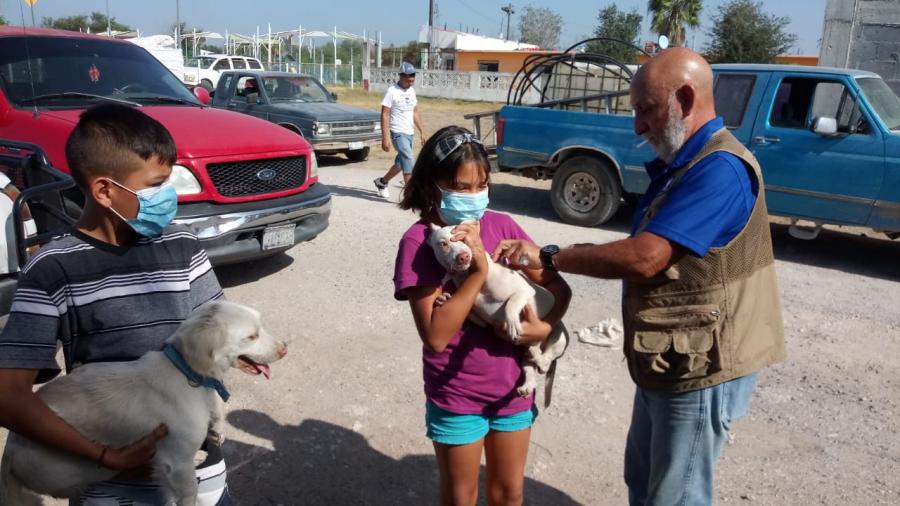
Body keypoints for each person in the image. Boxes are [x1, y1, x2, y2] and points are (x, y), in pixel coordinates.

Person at [492, 48, 786, 505]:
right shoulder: (683, 165)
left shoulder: (721, 169)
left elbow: (645, 258)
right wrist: (557, 257)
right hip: (671, 359)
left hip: (703, 368)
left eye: (645, 109)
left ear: (685, 100)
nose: (637, 125)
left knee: (676, 494)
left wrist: (553, 257)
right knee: (645, 479)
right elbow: (644, 254)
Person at [0, 104, 233, 505]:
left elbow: (217, 342)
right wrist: (106, 456)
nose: (169, 197)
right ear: (105, 190)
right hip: (111, 488)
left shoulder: (183, 247)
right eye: (157, 184)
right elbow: (8, 395)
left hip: (198, 471)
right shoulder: (53, 270)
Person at [393, 125, 571, 505]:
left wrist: (543, 327)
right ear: (432, 185)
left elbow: (560, 290)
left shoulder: (503, 226)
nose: (474, 197)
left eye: (481, 185)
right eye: (460, 186)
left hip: (511, 391)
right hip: (458, 394)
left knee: (509, 493)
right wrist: (477, 271)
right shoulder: (420, 244)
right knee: (461, 496)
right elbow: (436, 336)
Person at [373, 61, 426, 199]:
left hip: (409, 132)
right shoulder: (392, 92)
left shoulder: (412, 91)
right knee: (408, 158)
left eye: (413, 78)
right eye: (409, 79)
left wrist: (422, 131)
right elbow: (384, 114)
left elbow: (415, 111)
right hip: (397, 132)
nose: (411, 81)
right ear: (401, 77)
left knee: (401, 163)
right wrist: (385, 138)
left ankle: (382, 182)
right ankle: (411, 195)